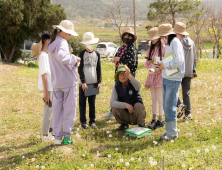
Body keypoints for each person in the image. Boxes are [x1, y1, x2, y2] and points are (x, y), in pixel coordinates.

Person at [47, 20, 81, 145]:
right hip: (68, 81)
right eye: (70, 34)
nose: (70, 36)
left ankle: (57, 137)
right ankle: (67, 136)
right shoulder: (63, 42)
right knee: (69, 109)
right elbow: (64, 57)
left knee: (57, 109)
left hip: (56, 82)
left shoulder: (52, 42)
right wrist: (75, 59)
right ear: (65, 32)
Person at [155, 24, 185, 140]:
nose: (161, 38)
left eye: (162, 36)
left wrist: (165, 65)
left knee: (170, 106)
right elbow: (171, 60)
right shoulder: (168, 43)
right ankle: (169, 131)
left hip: (173, 79)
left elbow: (179, 60)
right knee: (166, 106)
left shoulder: (175, 42)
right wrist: (161, 66)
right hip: (167, 77)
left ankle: (172, 133)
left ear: (166, 35)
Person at [103, 27, 138, 119]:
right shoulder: (121, 47)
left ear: (132, 38)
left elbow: (132, 63)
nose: (127, 37)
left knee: (126, 95)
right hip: (119, 75)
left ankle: (128, 113)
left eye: (130, 36)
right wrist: (114, 59)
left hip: (128, 77)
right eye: (126, 35)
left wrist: (120, 59)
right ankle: (113, 112)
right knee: (117, 94)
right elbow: (117, 57)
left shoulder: (132, 48)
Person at [31, 31, 54, 142]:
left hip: (51, 87)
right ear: (47, 42)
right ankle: (45, 135)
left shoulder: (47, 55)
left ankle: (50, 132)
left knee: (51, 110)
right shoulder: (44, 56)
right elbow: (44, 76)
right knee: (48, 111)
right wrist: (46, 94)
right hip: (48, 88)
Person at [173, 22, 197, 121]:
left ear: (177, 33)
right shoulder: (191, 42)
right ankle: (188, 114)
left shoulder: (177, 43)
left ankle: (180, 105)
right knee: (186, 93)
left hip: (179, 71)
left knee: (174, 91)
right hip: (188, 72)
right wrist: (193, 71)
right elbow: (195, 58)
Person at [110, 65, 146, 131]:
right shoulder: (117, 86)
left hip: (136, 114)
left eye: (125, 74)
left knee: (138, 105)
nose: (123, 76)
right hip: (126, 114)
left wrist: (129, 76)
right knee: (114, 108)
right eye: (120, 74)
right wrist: (126, 105)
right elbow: (112, 103)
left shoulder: (133, 82)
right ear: (118, 76)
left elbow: (138, 86)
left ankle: (141, 125)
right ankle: (124, 125)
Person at [78, 32, 102, 129]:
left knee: (92, 104)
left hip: (93, 83)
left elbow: (98, 68)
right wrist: (83, 82)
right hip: (83, 84)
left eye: (91, 43)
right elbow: (80, 69)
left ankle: (92, 121)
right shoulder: (82, 54)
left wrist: (99, 81)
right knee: (82, 104)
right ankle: (83, 122)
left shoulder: (97, 54)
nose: (90, 45)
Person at [144, 27, 165, 130]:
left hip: (160, 75)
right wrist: (148, 62)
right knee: (153, 98)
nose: (152, 40)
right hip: (152, 75)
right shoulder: (150, 49)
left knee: (160, 99)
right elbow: (146, 63)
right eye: (151, 38)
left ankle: (160, 120)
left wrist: (160, 68)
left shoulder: (164, 48)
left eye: (154, 38)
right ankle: (154, 118)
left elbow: (166, 63)